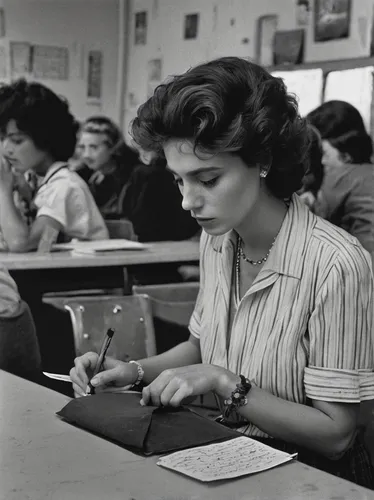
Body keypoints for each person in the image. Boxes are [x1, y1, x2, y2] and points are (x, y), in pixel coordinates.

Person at [70, 57, 374, 487]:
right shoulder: (217, 238)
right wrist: (133, 371)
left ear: (263, 160)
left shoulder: (336, 264)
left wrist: (227, 383)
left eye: (207, 179)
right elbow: (199, 347)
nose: (187, 201)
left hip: (310, 476)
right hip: (224, 451)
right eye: (179, 180)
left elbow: (337, 435)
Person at [0, 80, 108, 252]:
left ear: (45, 139)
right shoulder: (32, 180)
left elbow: (22, 244)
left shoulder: (64, 185)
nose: (6, 149)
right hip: (53, 270)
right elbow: (43, 243)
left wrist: (3, 190)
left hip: (88, 274)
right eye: (2, 139)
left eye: (16, 140)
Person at [307, 101, 374, 256]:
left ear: (346, 154)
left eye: (323, 153)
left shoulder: (344, 180)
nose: (320, 161)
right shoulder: (365, 176)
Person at [73, 116, 140, 218]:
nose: (86, 154)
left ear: (113, 147)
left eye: (93, 147)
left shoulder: (134, 179)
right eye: (82, 147)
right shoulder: (81, 176)